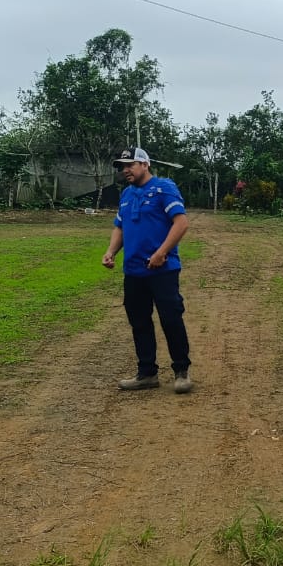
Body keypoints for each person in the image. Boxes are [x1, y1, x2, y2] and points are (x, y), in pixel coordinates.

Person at [103, 147, 193, 393]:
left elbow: (181, 222)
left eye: (130, 165)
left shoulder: (164, 188)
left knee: (171, 319)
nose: (125, 170)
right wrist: (111, 252)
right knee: (139, 322)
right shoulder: (126, 194)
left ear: (145, 164)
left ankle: (181, 371)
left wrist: (161, 252)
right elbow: (120, 227)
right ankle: (147, 373)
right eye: (122, 167)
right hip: (134, 271)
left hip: (163, 270)